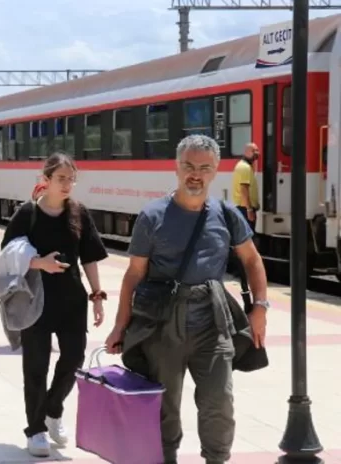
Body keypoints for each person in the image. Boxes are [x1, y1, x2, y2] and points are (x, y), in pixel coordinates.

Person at [105, 134, 268, 464]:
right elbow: (133, 275)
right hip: (163, 324)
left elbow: (252, 260)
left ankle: (216, 459)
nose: (196, 174)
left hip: (213, 321)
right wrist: (120, 325)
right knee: (164, 407)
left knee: (219, 403)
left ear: (215, 171)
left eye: (204, 168)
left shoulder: (226, 214)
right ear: (177, 168)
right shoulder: (152, 216)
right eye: (189, 166)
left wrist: (260, 308)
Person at [1, 152, 108, 458]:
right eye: (61, 178)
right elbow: (8, 253)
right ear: (45, 179)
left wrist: (97, 295)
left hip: (72, 299)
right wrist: (39, 263)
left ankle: (53, 409)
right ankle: (36, 429)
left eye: (71, 179)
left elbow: (89, 257)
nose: (67, 184)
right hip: (34, 298)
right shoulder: (28, 214)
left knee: (74, 358)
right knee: (36, 366)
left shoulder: (78, 212)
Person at [231, 142, 260, 232]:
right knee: (248, 235)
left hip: (244, 208)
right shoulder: (245, 167)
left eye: (257, 150)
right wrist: (249, 209)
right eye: (254, 151)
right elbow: (244, 190)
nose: (257, 153)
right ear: (246, 152)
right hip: (244, 209)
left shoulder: (245, 166)